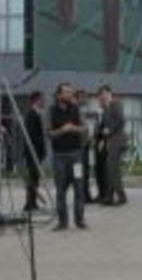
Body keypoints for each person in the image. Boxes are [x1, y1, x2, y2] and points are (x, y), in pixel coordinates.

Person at [49, 83, 88, 230]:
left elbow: (85, 129)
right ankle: (62, 222)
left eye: (70, 92)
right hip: (59, 156)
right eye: (66, 92)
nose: (69, 95)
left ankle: (80, 220)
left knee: (79, 188)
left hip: (75, 155)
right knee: (60, 190)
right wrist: (61, 130)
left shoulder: (77, 110)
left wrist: (74, 128)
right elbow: (48, 133)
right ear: (59, 95)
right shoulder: (51, 111)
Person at [95, 85, 127, 206]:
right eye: (100, 94)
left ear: (109, 93)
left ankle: (120, 196)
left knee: (112, 169)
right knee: (110, 169)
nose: (102, 96)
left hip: (117, 140)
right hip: (110, 141)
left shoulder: (115, 103)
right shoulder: (106, 107)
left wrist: (109, 130)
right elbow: (102, 124)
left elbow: (121, 120)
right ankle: (109, 197)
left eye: (103, 93)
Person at [23, 91, 47, 211]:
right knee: (32, 177)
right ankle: (29, 203)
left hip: (37, 152)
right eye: (42, 99)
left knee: (35, 177)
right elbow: (32, 136)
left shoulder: (38, 113)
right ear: (36, 100)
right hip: (32, 152)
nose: (44, 102)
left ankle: (33, 202)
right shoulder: (31, 114)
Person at [75, 89, 97, 204]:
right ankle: (80, 196)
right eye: (81, 97)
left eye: (85, 97)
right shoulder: (74, 111)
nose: (84, 99)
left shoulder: (88, 110)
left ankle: (87, 195)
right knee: (79, 172)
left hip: (86, 144)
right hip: (78, 146)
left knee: (86, 171)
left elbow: (92, 124)